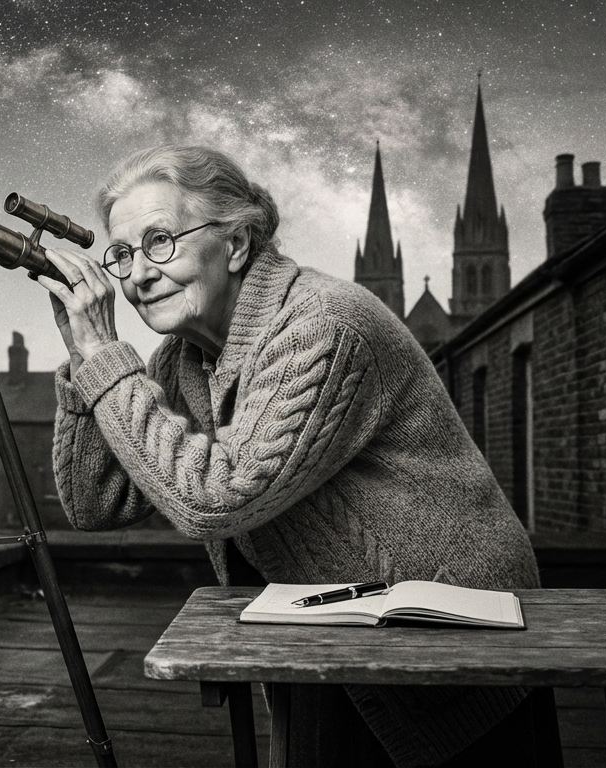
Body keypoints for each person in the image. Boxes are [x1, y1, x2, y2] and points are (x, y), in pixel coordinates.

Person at [37, 145, 548, 767]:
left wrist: (107, 365)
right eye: (123, 254)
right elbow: (98, 503)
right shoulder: (183, 359)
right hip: (328, 629)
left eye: (161, 240)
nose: (138, 273)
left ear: (237, 244)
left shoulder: (324, 326)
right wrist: (85, 360)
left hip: (454, 637)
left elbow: (214, 501)